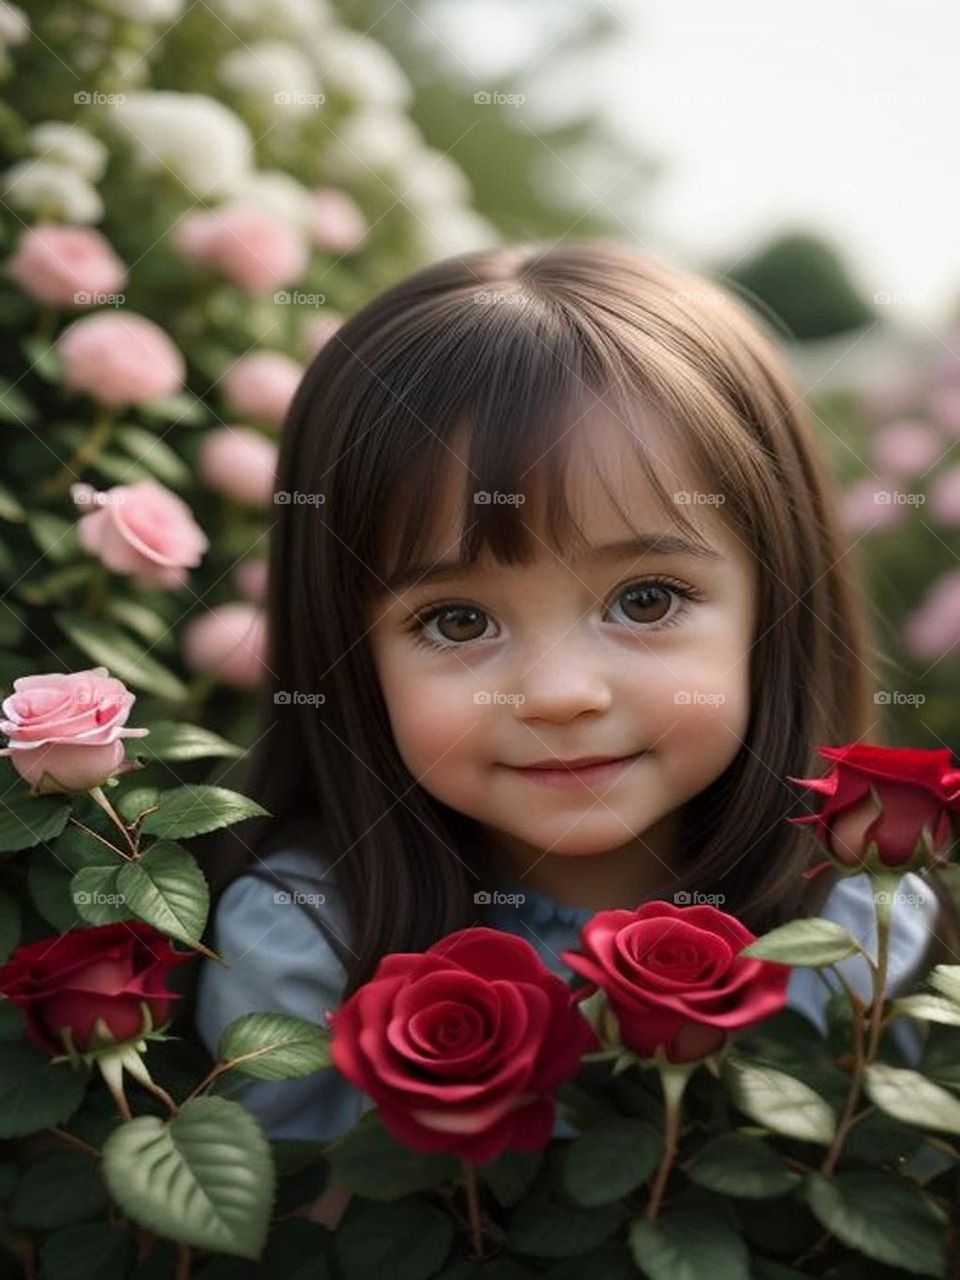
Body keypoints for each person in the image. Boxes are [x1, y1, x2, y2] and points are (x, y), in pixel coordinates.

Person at [194, 240, 948, 1168]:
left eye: (646, 600)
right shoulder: (303, 943)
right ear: (348, 648)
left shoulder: (853, 934)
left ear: (777, 605)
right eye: (458, 619)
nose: (558, 695)